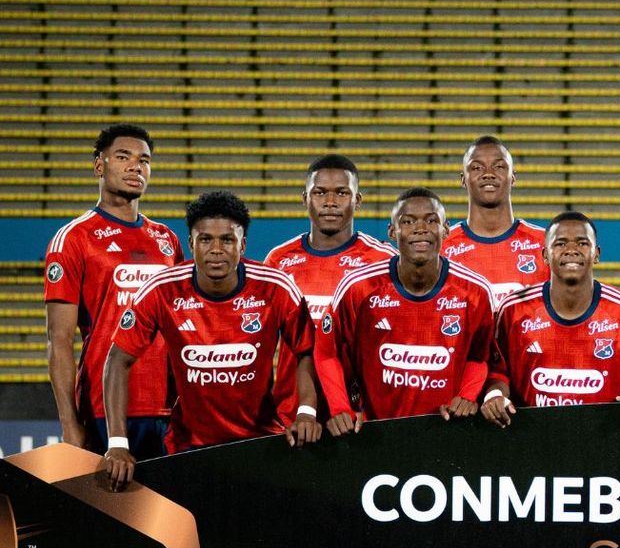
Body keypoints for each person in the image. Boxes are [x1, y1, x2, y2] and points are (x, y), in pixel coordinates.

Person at [102, 191, 321, 491]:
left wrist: (305, 412)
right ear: (191, 244)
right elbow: (117, 359)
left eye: (227, 240)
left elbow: (307, 350)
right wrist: (117, 443)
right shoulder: (161, 290)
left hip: (259, 443)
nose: (216, 249)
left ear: (243, 244)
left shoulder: (275, 287)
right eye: (205, 239)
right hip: (188, 447)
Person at [44, 124, 182, 458]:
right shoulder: (74, 239)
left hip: (169, 409)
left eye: (144, 160)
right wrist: (69, 423)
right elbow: (59, 341)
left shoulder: (167, 239)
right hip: (105, 409)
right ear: (99, 166)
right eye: (124, 157)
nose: (136, 166)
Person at [316, 188, 494, 434]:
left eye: (431, 221)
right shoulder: (359, 287)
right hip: (377, 434)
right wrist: (339, 408)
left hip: (449, 432)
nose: (420, 229)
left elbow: (480, 357)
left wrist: (467, 395)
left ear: (446, 229)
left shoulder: (475, 292)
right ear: (392, 231)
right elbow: (326, 352)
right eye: (408, 222)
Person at [482, 211, 620, 427]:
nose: (571, 250)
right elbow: (498, 372)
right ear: (545, 255)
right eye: (560, 244)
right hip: (532, 441)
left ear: (597, 254)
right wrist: (495, 395)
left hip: (605, 442)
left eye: (582, 244)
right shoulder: (513, 310)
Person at [263, 154, 395, 427]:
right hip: (292, 416)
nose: (331, 202)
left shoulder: (383, 261)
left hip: (360, 417)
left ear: (357, 200)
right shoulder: (278, 261)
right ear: (305, 199)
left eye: (342, 193)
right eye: (320, 192)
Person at [442, 135, 549, 306]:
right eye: (477, 168)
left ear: (513, 177)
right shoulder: (441, 248)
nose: (488, 174)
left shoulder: (546, 244)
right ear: (463, 179)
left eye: (499, 166)